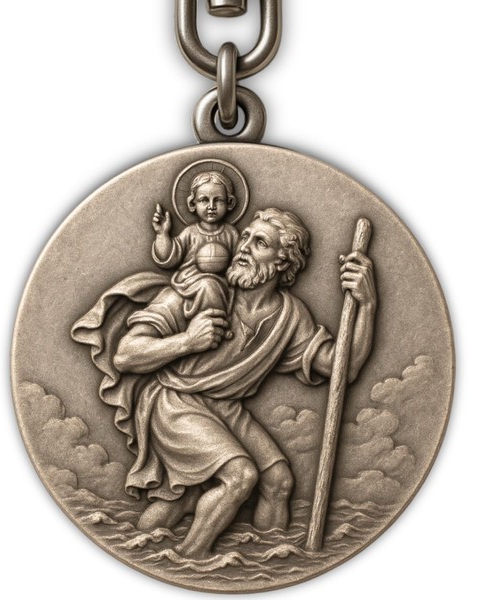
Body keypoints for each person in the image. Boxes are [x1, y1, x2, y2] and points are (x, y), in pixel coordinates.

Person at [110, 208, 377, 559]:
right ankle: (189, 559)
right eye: (246, 237)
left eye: (260, 243)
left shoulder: (290, 315)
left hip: (225, 407)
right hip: (175, 401)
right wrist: (187, 341)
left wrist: (367, 304)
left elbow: (344, 368)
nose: (244, 247)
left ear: (283, 261)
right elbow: (125, 355)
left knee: (278, 481)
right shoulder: (200, 289)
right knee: (240, 476)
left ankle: (271, 562)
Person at [152, 171, 239, 321]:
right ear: (192, 204)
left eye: (218, 200)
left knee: (210, 286)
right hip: (189, 281)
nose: (211, 206)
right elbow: (169, 258)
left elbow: (238, 260)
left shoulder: (231, 233)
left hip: (221, 283)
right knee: (208, 285)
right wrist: (162, 234)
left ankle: (216, 324)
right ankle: (207, 322)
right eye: (204, 200)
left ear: (229, 202)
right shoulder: (190, 232)